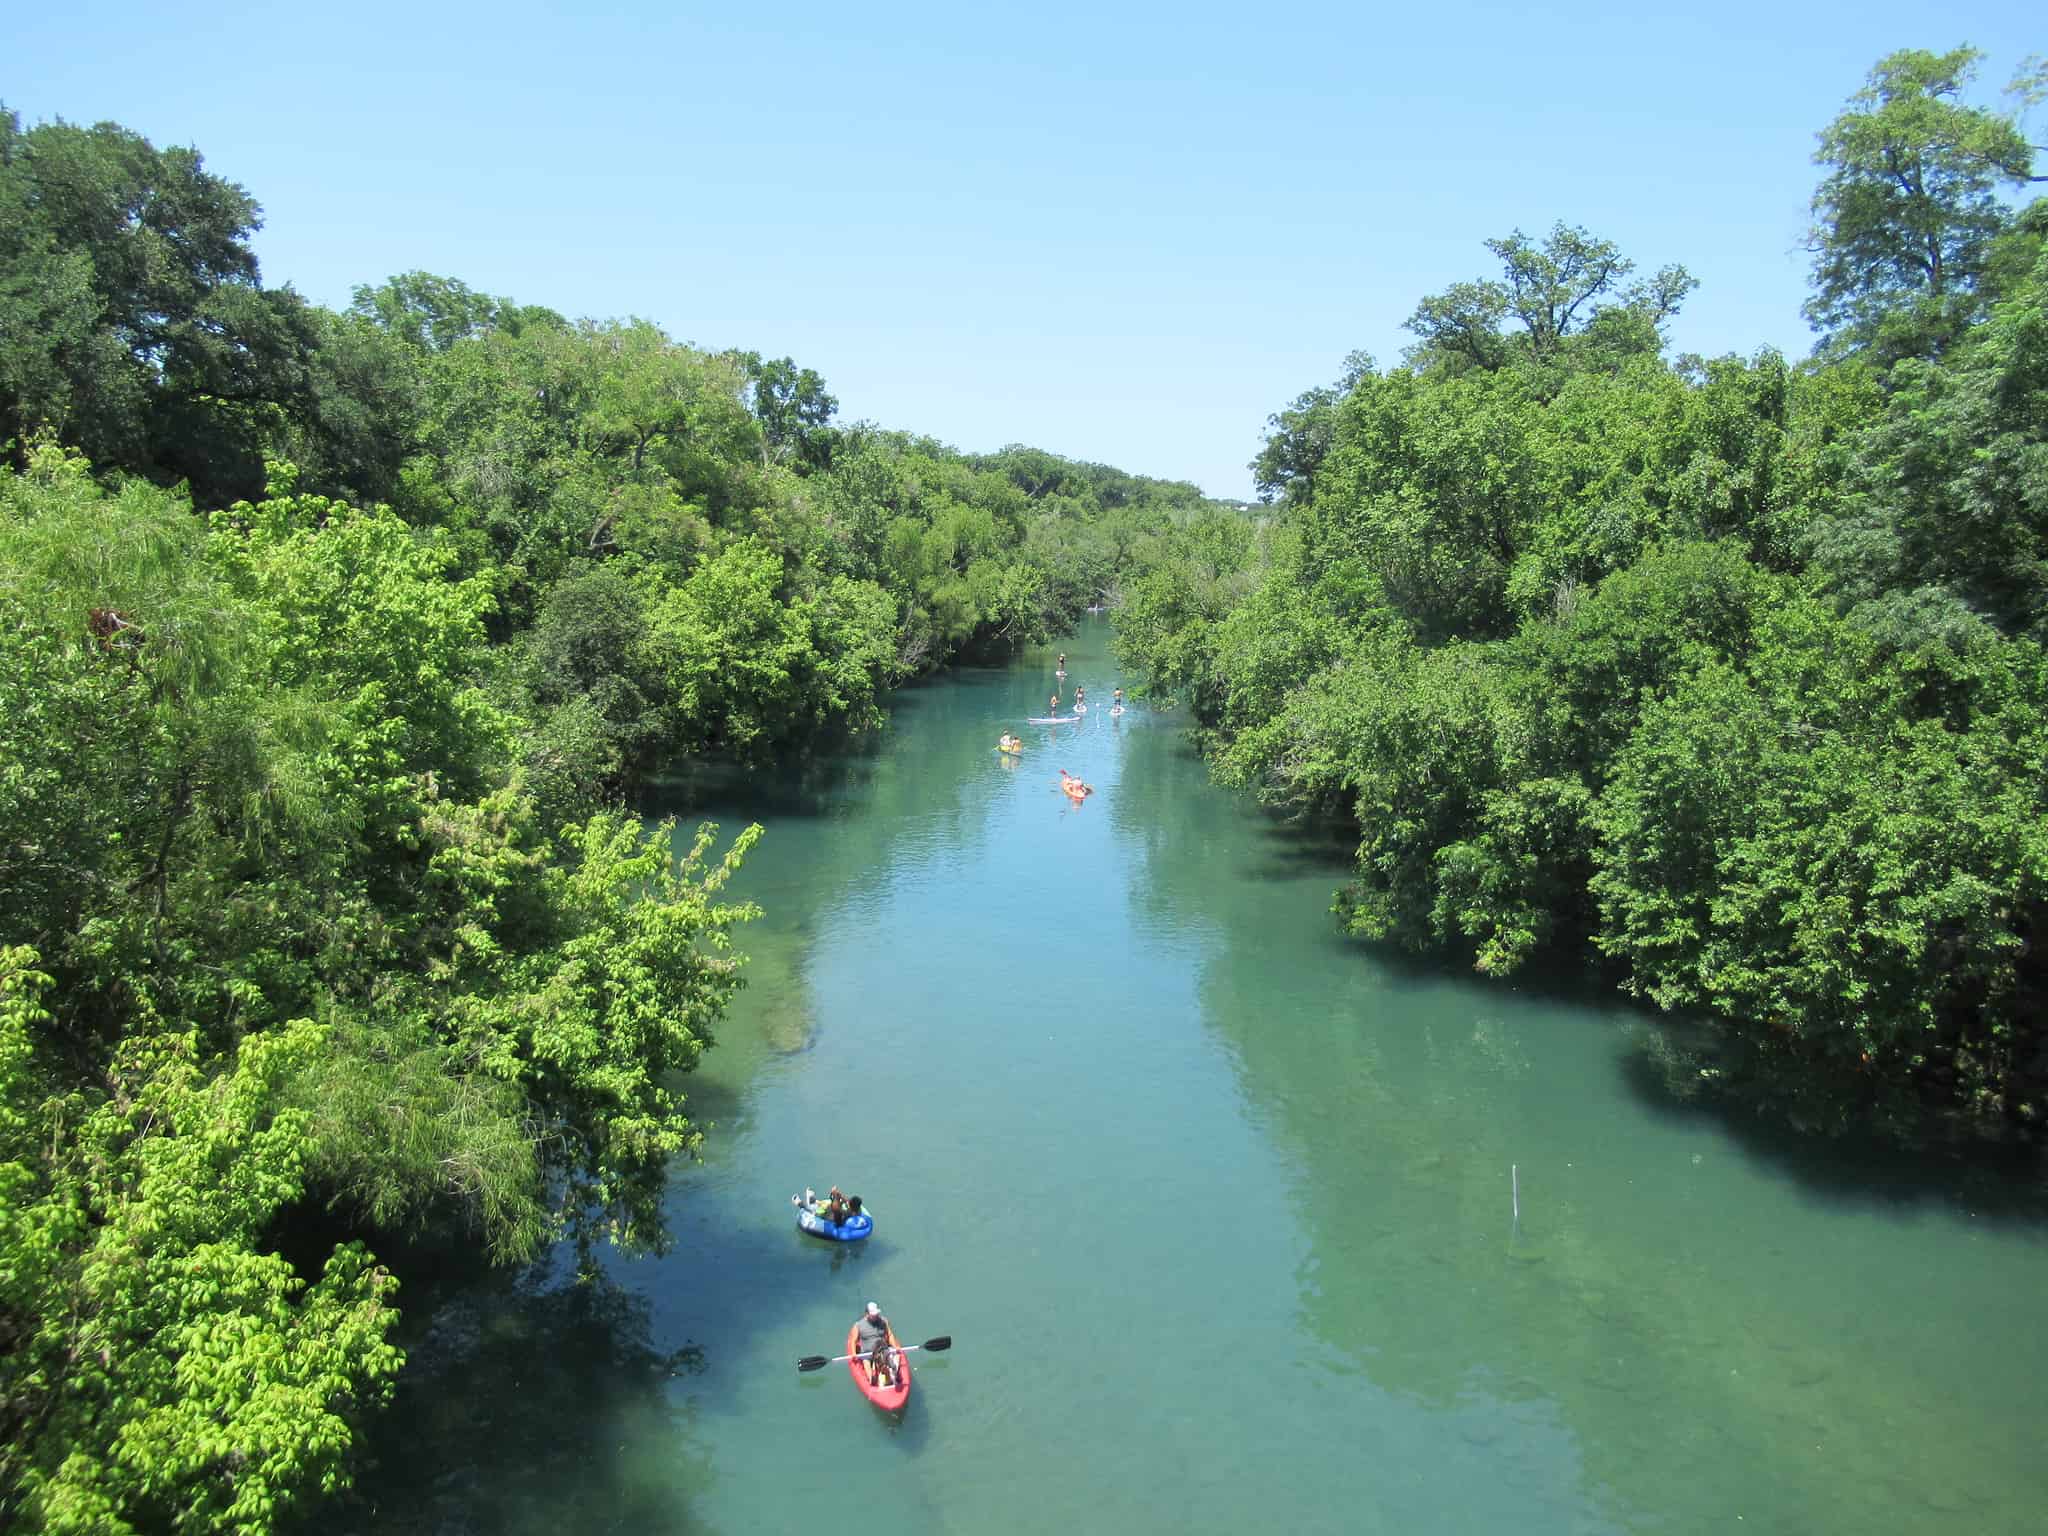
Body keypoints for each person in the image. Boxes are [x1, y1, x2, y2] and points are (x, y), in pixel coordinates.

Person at [855, 1301, 897, 1386]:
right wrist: (853, 1355)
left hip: (882, 1349)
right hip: (868, 1352)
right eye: (873, 1315)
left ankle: (891, 1377)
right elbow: (853, 1341)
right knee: (866, 1361)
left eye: (876, 1314)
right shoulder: (858, 1325)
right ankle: (871, 1378)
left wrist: (896, 1347)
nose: (876, 1316)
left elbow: (890, 1334)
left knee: (888, 1357)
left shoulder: (884, 1321)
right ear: (867, 1314)